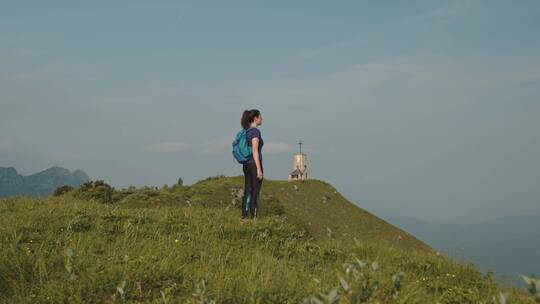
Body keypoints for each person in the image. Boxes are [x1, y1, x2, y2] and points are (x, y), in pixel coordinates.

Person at [240, 109, 264, 223]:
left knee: (248, 190)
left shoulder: (247, 131)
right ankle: (253, 217)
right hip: (254, 164)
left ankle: (245, 216)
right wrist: (259, 169)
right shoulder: (255, 132)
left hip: (246, 164)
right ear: (255, 118)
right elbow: (255, 150)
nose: (262, 119)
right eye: (260, 117)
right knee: (255, 190)